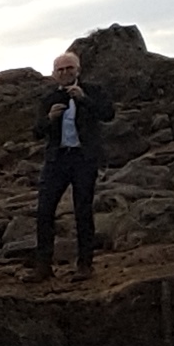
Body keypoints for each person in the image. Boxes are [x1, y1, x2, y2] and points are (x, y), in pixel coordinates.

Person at [32, 48, 113, 279]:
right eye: (60, 69)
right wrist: (49, 119)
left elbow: (108, 114)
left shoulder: (93, 91)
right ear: (54, 74)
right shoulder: (48, 99)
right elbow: (36, 132)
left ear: (78, 70)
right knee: (44, 211)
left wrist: (84, 100)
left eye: (69, 68)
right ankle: (43, 267)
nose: (65, 72)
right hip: (57, 159)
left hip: (84, 158)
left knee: (83, 211)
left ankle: (85, 265)